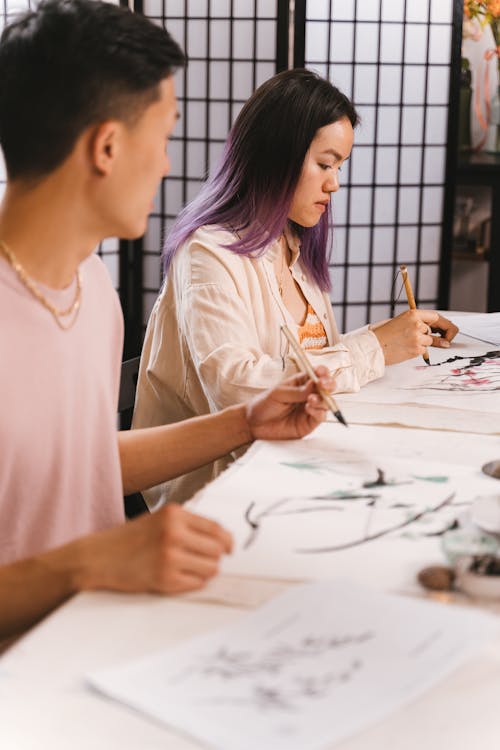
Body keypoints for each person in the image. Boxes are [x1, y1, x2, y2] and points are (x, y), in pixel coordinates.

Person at [0, 0, 333, 644]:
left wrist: (245, 419)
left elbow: (82, 464)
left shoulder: (93, 290)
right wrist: (91, 562)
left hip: (96, 640)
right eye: (165, 136)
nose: (168, 165)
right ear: (108, 146)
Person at [133, 68, 459, 507]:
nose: (335, 183)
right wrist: (375, 348)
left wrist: (393, 336)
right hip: (219, 494)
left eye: (339, 166)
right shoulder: (208, 253)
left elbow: (310, 364)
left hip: (290, 469)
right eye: (325, 164)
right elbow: (237, 390)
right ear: (277, 155)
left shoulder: (293, 242)